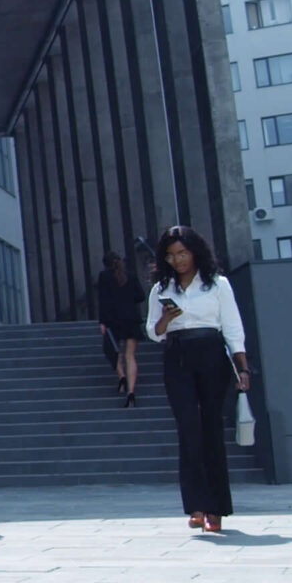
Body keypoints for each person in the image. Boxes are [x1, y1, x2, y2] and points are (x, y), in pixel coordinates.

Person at [146, 225, 247, 533]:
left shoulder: (217, 285)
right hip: (177, 355)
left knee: (212, 429)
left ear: (195, 252)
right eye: (171, 255)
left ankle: (216, 508)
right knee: (188, 428)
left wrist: (242, 368)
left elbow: (232, 328)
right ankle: (196, 505)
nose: (178, 261)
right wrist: (166, 319)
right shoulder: (161, 288)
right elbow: (152, 332)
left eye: (183, 253)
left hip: (211, 353)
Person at [96, 251, 145, 406]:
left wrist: (102, 322)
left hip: (113, 320)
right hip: (131, 319)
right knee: (130, 355)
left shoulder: (104, 277)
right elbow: (141, 296)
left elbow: (102, 299)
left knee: (115, 352)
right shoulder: (130, 276)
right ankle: (131, 392)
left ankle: (121, 376)